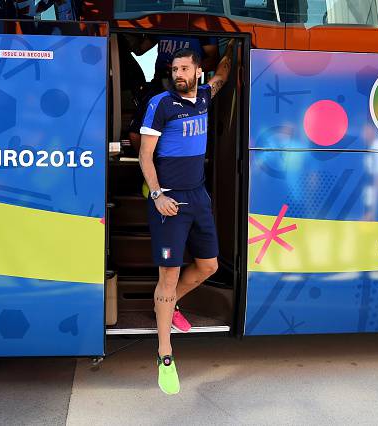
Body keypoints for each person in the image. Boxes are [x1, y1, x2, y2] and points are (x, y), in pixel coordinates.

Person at [138, 40, 235, 395]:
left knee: (208, 266)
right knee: (169, 276)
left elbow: (222, 75)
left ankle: (171, 304)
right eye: (174, 70)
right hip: (169, 200)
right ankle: (165, 354)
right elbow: (145, 157)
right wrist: (158, 195)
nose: (178, 75)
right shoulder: (161, 104)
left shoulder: (207, 95)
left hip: (198, 195)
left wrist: (229, 49)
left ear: (197, 71)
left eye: (184, 69)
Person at [126, 34, 219, 152]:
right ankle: (151, 165)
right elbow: (139, 49)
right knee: (136, 131)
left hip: (185, 89)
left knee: (181, 131)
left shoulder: (202, 27)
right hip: (159, 84)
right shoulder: (161, 21)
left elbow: (213, 60)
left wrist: (185, 70)